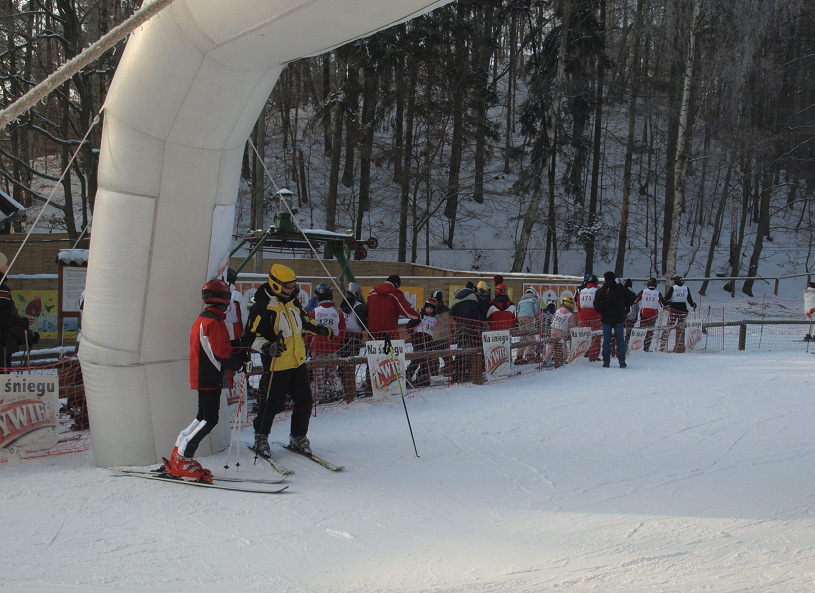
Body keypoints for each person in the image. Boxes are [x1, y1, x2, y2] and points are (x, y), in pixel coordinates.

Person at [164, 279, 250, 482]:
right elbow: (221, 352)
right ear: (223, 300)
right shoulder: (214, 322)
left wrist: (237, 354)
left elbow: (217, 348)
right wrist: (238, 364)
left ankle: (179, 454)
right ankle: (182, 458)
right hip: (210, 375)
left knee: (201, 417)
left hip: (203, 374)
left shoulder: (204, 319)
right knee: (209, 419)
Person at [245, 264, 333, 458]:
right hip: (277, 366)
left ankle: (298, 436)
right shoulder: (263, 307)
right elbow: (250, 337)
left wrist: (321, 329)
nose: (292, 289)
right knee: (271, 404)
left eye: (293, 285)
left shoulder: (293, 302)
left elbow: (304, 321)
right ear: (276, 284)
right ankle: (261, 437)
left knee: (305, 401)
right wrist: (267, 346)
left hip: (298, 362)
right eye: (288, 286)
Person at [307, 283, 346, 400]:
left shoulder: (315, 312)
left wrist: (307, 345)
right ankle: (337, 389)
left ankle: (321, 394)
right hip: (333, 347)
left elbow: (308, 331)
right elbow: (342, 330)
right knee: (332, 370)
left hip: (317, 347)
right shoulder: (338, 312)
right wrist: (339, 343)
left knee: (319, 372)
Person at [593, 271, 637, 368]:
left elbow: (596, 304)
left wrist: (603, 310)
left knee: (606, 340)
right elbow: (633, 297)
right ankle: (622, 361)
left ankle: (606, 361)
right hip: (619, 317)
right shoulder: (621, 289)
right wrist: (625, 306)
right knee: (620, 340)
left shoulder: (601, 291)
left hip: (606, 318)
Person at [0, 252, 33, 368]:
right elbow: (4, 319)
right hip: (3, 344)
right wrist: (23, 323)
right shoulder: (2, 289)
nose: (7, 266)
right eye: (5, 264)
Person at [449, 282, 486, 383]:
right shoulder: (474, 296)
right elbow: (483, 308)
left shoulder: (457, 298)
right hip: (473, 328)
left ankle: (458, 372)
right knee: (475, 349)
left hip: (461, 329)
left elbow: (451, 313)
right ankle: (473, 371)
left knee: (461, 349)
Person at [365, 274, 419, 340]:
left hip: (372, 332)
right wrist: (418, 316)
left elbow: (366, 312)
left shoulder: (371, 294)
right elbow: (406, 310)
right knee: (391, 347)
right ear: (396, 283)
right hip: (389, 332)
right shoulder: (395, 293)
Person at [339, 281, 367, 398]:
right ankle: (350, 387)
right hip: (354, 336)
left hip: (344, 335)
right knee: (352, 362)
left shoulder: (342, 304)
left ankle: (343, 384)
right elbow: (362, 322)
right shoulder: (357, 305)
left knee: (344, 361)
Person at [406, 297, 438, 387]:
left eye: (431, 309)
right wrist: (412, 334)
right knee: (416, 359)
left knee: (426, 360)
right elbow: (409, 325)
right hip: (418, 339)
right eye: (428, 308)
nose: (429, 310)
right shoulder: (420, 316)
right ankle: (407, 376)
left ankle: (422, 377)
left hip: (428, 340)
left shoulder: (434, 318)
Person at [664, 274, 696, 353]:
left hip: (674, 309)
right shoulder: (686, 288)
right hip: (683, 309)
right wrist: (693, 305)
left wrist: (665, 303)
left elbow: (667, 297)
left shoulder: (673, 288)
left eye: (672, 280)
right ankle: (680, 346)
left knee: (669, 326)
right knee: (681, 328)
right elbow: (689, 299)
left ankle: (662, 344)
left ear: (675, 281)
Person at [543, 295, 576, 368]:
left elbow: (552, 319)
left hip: (554, 329)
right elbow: (570, 325)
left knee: (551, 344)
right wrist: (570, 332)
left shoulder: (557, 311)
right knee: (563, 345)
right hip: (562, 331)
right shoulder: (570, 314)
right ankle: (563, 359)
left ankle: (547, 359)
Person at [633, 278, 665, 351]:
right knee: (650, 331)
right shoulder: (658, 293)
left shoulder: (643, 291)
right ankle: (646, 347)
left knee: (642, 330)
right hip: (653, 314)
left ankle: (638, 346)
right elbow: (662, 304)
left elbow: (635, 300)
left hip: (644, 313)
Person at [576, 274, 602, 361]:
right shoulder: (597, 291)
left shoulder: (582, 292)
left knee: (586, 336)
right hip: (595, 316)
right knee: (596, 336)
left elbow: (579, 305)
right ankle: (594, 356)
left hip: (584, 317)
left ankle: (585, 353)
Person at [515, 287, 540, 364]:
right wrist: (537, 317)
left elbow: (518, 310)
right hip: (529, 318)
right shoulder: (534, 299)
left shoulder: (521, 301)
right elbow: (536, 310)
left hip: (520, 318)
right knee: (531, 336)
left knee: (523, 337)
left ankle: (519, 356)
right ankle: (530, 355)